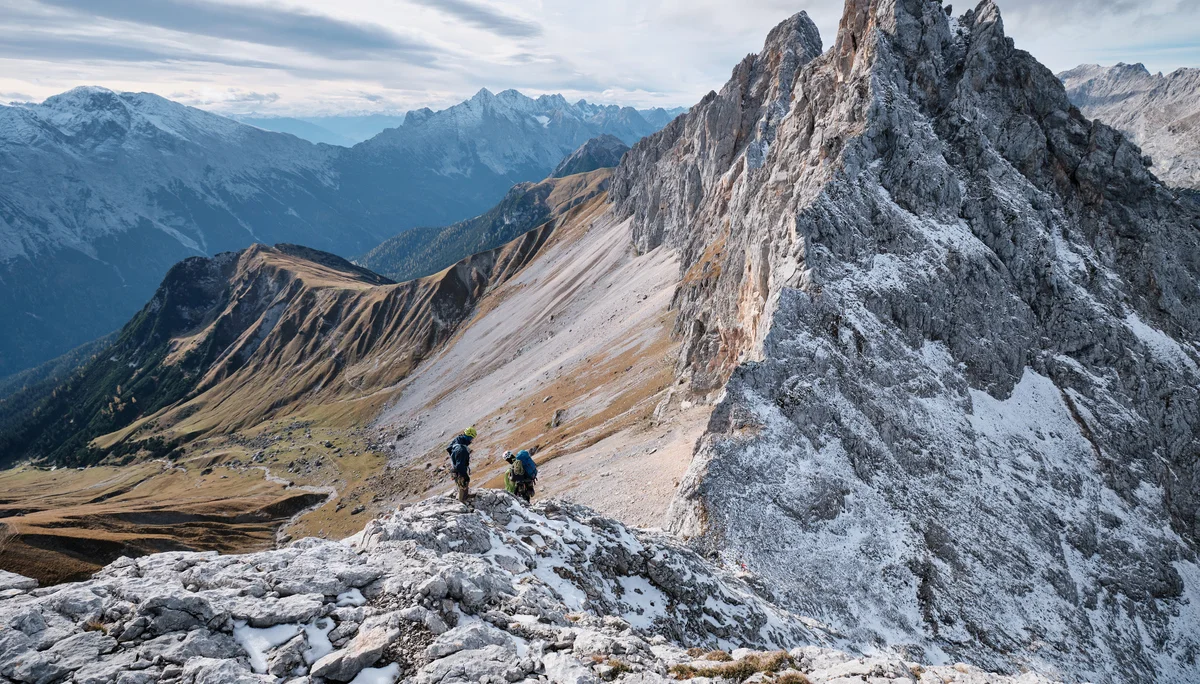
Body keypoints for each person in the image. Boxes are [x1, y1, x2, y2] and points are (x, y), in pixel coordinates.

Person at [447, 427, 476, 503]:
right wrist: (466, 476)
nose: (472, 440)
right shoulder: (462, 449)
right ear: (469, 436)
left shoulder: (458, 440)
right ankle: (462, 502)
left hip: (454, 467)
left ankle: (465, 496)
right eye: (472, 438)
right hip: (459, 470)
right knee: (463, 485)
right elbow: (460, 466)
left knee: (462, 485)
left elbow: (449, 448)